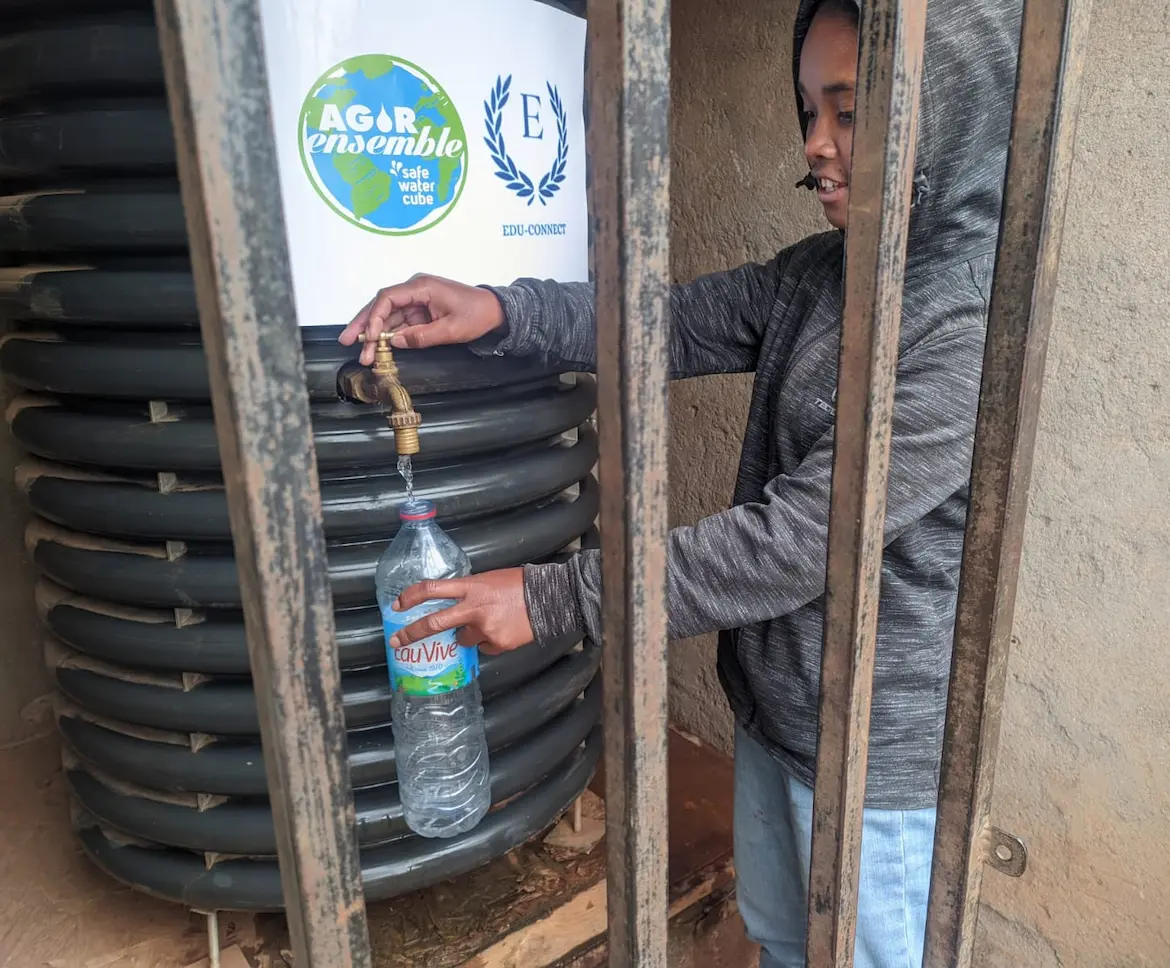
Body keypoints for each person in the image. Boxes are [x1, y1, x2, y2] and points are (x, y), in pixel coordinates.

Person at [340, 0, 1021, 964]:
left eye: (852, 108)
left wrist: (554, 597)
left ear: (952, 108)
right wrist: (498, 309)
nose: (817, 144)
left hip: (876, 759)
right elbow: (665, 321)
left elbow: (800, 541)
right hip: (779, 711)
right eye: (808, 111)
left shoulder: (968, 326)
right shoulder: (824, 274)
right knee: (783, 941)